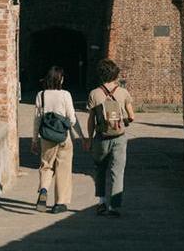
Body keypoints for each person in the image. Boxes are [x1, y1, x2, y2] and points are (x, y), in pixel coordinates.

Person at [31, 66, 87, 213]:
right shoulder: (65, 95)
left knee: (46, 165)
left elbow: (37, 120)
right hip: (63, 137)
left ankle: (43, 190)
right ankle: (59, 203)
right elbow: (72, 119)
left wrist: (34, 140)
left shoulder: (41, 95)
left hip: (46, 137)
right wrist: (81, 136)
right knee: (63, 169)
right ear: (60, 79)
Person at [87, 58, 135, 217]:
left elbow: (91, 120)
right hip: (119, 137)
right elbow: (132, 116)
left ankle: (101, 202)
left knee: (100, 170)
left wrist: (89, 138)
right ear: (115, 74)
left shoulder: (94, 93)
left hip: (101, 137)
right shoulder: (123, 92)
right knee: (117, 172)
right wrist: (122, 122)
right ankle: (114, 206)